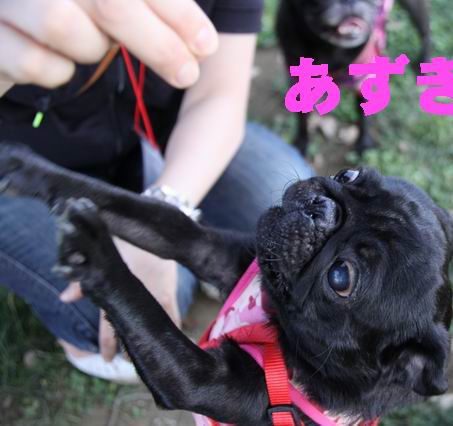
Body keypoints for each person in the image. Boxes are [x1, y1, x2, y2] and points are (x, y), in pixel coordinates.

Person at [0, 0, 313, 383]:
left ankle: (178, 238)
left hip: (165, 127)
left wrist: (163, 214)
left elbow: (219, 94)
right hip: (18, 159)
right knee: (120, 309)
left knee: (295, 224)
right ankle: (84, 330)